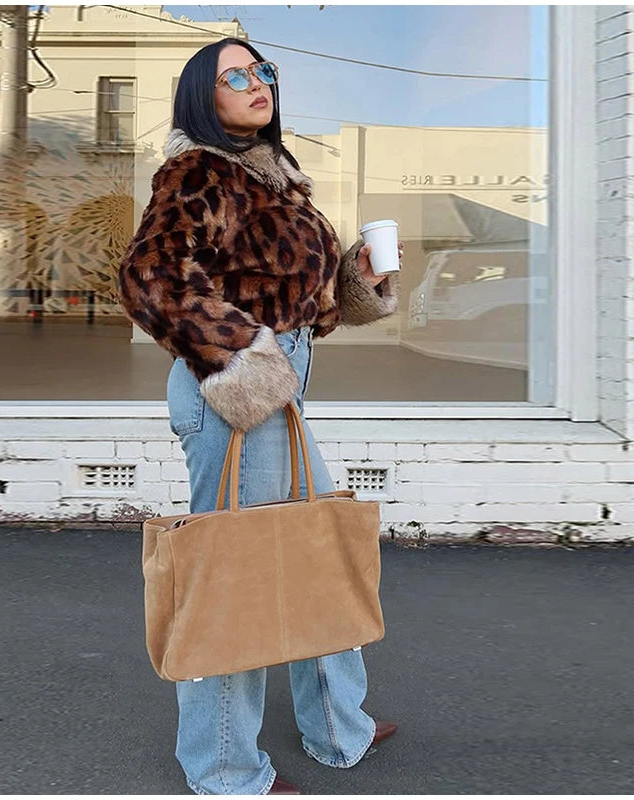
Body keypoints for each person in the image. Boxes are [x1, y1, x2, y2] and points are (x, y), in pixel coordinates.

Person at [118, 37, 402, 796]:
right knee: (234, 577)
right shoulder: (198, 170)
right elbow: (151, 279)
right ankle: (225, 769)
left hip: (281, 391)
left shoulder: (278, 177)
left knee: (318, 549)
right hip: (233, 396)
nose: (256, 83)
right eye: (233, 76)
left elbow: (300, 302)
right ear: (200, 98)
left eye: (261, 70)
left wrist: (355, 281)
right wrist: (244, 361)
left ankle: (338, 725)